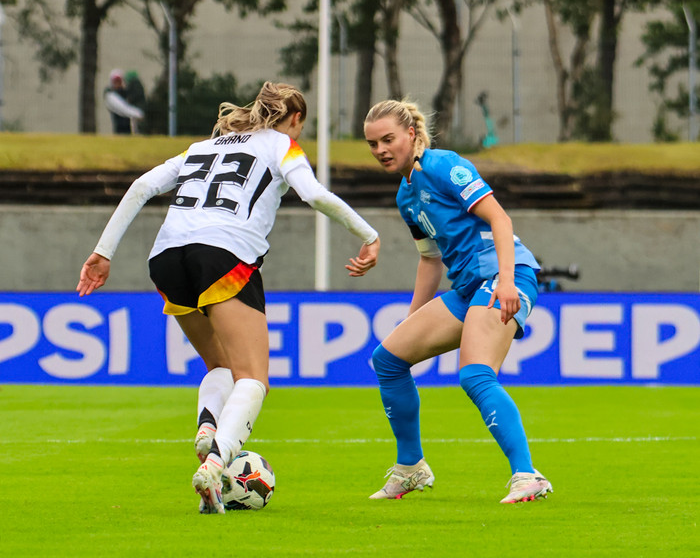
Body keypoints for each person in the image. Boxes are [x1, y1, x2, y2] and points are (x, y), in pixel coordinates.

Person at [77, 81, 381, 514]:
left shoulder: (201, 147)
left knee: (220, 365)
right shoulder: (282, 145)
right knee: (253, 379)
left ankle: (208, 429)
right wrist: (368, 235)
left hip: (166, 256)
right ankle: (216, 463)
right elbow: (313, 194)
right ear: (296, 119)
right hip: (224, 254)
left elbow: (142, 186)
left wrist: (103, 252)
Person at [363, 99, 552, 504]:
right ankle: (411, 468)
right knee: (388, 360)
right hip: (468, 288)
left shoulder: (444, 165)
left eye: (388, 140)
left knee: (475, 375)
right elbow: (430, 260)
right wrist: (412, 320)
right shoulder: (406, 196)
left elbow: (500, 218)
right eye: (373, 144)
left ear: (411, 134)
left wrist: (506, 283)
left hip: (505, 277)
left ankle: (527, 475)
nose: (380, 150)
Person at [104, 69, 144, 134]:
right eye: (115, 81)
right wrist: (138, 114)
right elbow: (122, 108)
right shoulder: (110, 95)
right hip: (119, 129)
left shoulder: (126, 93)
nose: (117, 83)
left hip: (130, 129)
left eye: (119, 81)